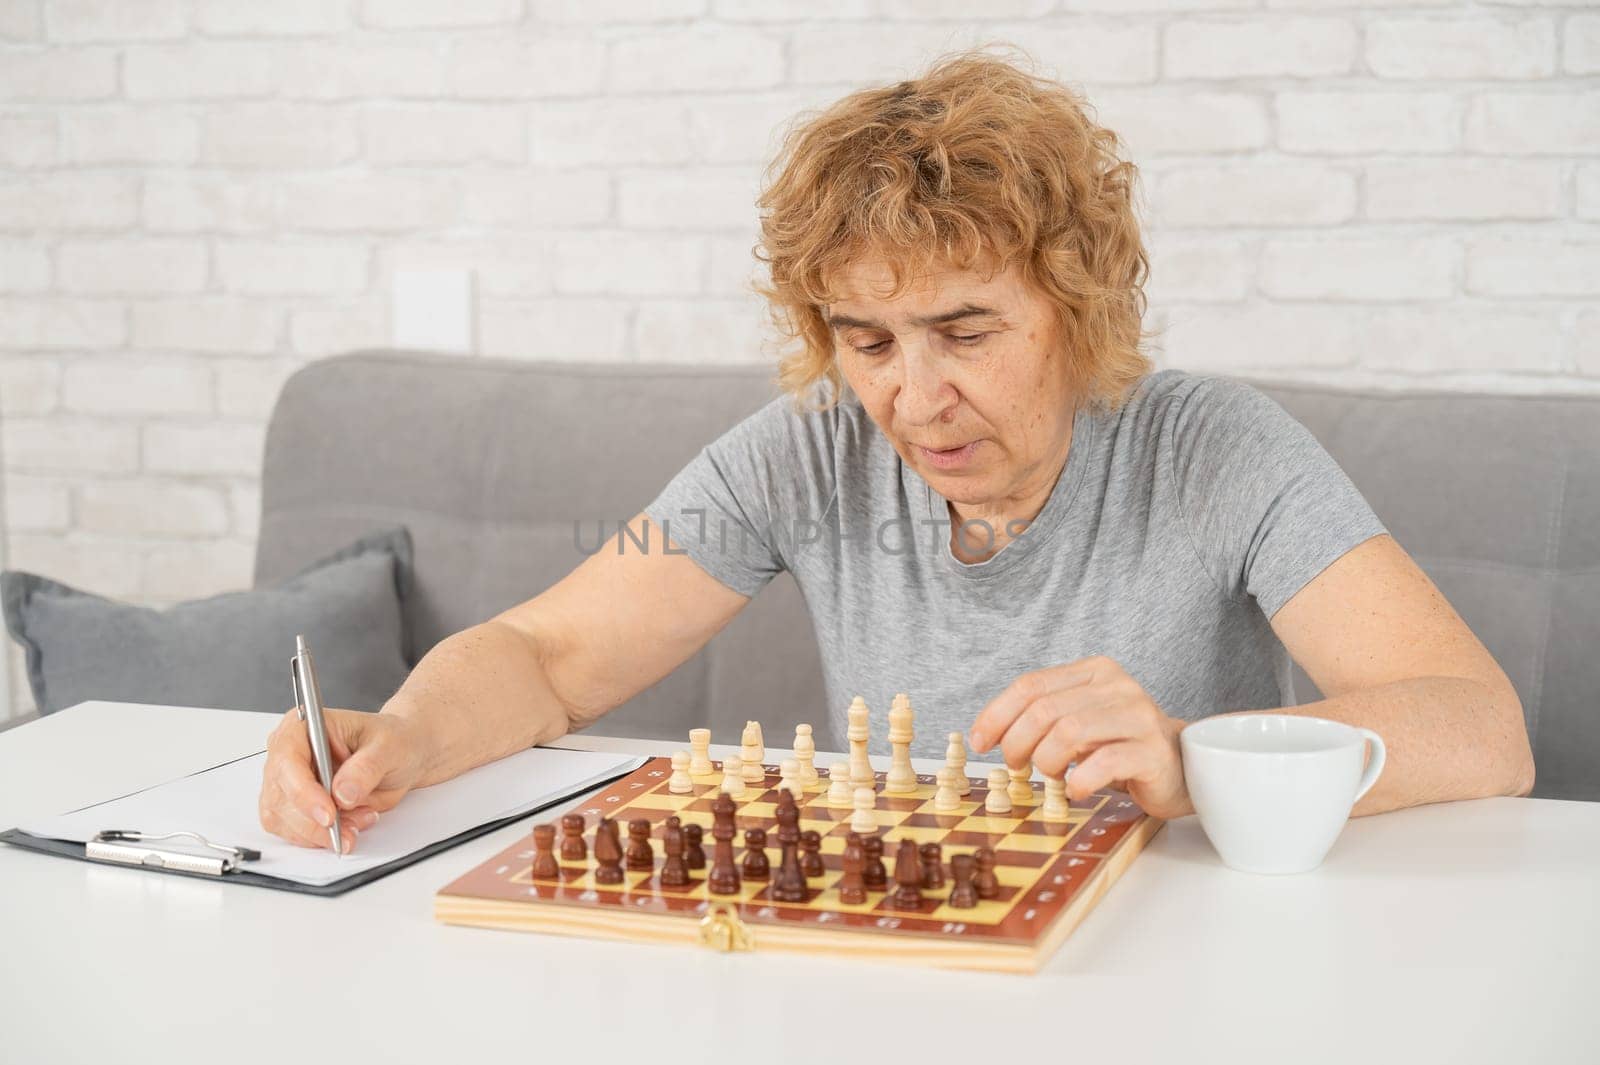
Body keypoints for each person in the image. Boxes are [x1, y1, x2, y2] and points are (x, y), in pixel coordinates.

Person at [258, 50, 1534, 854]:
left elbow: (1480, 731)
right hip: (911, 941)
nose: (914, 399)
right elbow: (546, 655)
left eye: (964, 330)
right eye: (865, 339)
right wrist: (404, 739)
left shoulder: (1218, 451)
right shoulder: (803, 456)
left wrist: (1192, 756)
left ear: (1075, 308)